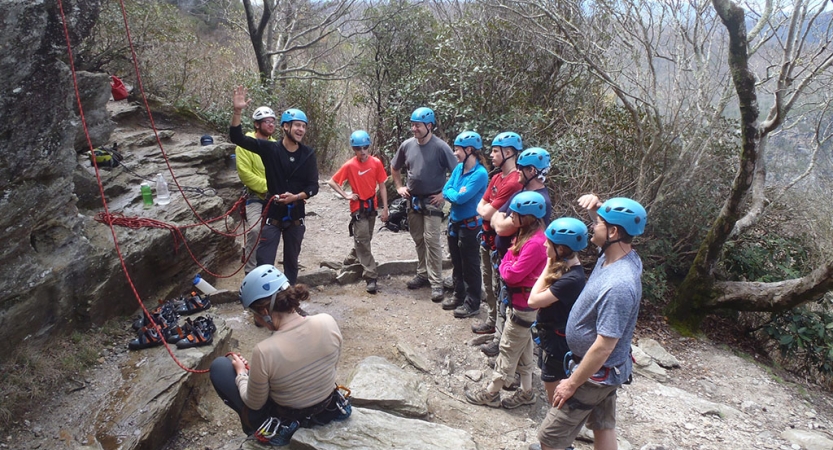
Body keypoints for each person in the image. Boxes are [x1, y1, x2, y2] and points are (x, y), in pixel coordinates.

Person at [531, 196, 647, 450]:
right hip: (610, 371)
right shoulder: (618, 256)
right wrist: (598, 208)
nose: (592, 226)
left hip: (594, 375)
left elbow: (605, 345)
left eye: (598, 223)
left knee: (549, 438)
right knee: (603, 426)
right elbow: (608, 232)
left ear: (614, 231)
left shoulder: (619, 284)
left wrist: (571, 383)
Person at [209, 265, 350, 445]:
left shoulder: (264, 350)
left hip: (288, 420)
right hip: (326, 408)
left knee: (220, 367)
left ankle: (253, 429)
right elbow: (332, 365)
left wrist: (241, 374)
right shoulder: (327, 321)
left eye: (254, 314)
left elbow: (253, 403)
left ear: (265, 312)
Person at [466, 191, 548, 409]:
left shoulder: (535, 243)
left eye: (515, 214)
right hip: (520, 302)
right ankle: (527, 391)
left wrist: (505, 266)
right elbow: (509, 258)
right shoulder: (525, 236)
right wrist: (507, 264)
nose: (510, 217)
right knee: (524, 346)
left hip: (523, 306)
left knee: (509, 348)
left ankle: (491, 393)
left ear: (528, 217)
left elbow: (510, 274)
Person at [229, 86, 319, 284]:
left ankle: (289, 303)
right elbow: (237, 138)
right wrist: (237, 111)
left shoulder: (308, 154)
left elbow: (313, 186)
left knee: (291, 263)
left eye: (303, 126)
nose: (301, 129)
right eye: (296, 125)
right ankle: (263, 304)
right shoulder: (270, 149)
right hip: (273, 214)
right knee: (265, 262)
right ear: (285, 127)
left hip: (296, 214)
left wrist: (296, 197)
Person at [481, 146, 553, 357]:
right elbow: (496, 218)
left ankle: (508, 353)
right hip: (507, 257)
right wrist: (498, 220)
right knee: (504, 300)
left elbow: (501, 225)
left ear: (532, 171)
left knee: (513, 307)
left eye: (521, 169)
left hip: (517, 264)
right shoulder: (523, 194)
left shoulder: (540, 202)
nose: (517, 173)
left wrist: (498, 220)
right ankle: (500, 340)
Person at [390, 106, 458, 302]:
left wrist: (444, 194)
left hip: (433, 202)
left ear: (429, 126)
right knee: (418, 238)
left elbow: (457, 172)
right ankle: (422, 273)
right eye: (412, 125)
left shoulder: (441, 147)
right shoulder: (407, 145)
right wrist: (399, 187)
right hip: (413, 200)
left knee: (432, 240)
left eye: (417, 125)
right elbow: (395, 167)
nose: (414, 129)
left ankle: (436, 283)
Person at [527, 218, 588, 406]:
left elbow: (533, 300)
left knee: (552, 384)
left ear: (561, 249)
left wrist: (547, 263)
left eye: (549, 242)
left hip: (558, 342)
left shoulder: (572, 279)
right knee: (549, 380)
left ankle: (558, 421)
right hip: (551, 337)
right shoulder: (568, 271)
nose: (544, 244)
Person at [471, 132, 524, 339]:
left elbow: (487, 211)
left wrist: (487, 210)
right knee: (489, 284)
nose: (491, 155)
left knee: (498, 286)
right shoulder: (495, 177)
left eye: (495, 151)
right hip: (486, 240)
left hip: (500, 246)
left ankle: (500, 331)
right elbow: (481, 207)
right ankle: (492, 322)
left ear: (508, 152)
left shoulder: (513, 182)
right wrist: (486, 210)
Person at [326, 130, 389, 294]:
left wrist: (385, 208)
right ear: (354, 149)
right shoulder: (350, 165)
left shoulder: (376, 163)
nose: (362, 151)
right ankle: (371, 275)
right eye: (358, 148)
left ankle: (351, 258)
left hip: (372, 207)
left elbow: (382, 185)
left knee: (365, 239)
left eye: (365, 147)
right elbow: (332, 181)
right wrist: (346, 195)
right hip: (357, 208)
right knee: (363, 240)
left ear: (369, 147)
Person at [441, 131, 489, 317]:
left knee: (470, 264)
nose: (455, 153)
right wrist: (453, 192)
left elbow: (460, 198)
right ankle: (458, 295)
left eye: (458, 149)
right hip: (455, 223)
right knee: (457, 262)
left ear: (469, 150)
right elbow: (446, 190)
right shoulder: (458, 169)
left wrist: (453, 193)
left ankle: (472, 303)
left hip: (470, 226)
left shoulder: (480, 174)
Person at [235, 106, 277, 274]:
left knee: (274, 231)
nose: (271, 125)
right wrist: (270, 186)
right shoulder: (245, 144)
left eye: (273, 122)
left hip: (274, 197)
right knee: (254, 229)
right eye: (267, 122)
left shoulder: (276, 145)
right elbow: (245, 174)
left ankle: (267, 267)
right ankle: (250, 270)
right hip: (256, 196)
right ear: (257, 124)